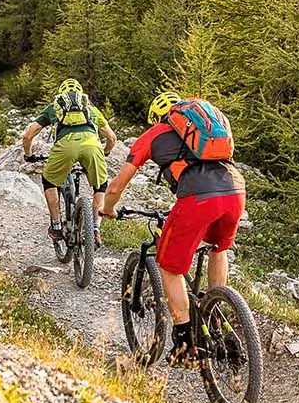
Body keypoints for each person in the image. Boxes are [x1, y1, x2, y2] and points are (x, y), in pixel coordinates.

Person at [99, 90, 246, 364]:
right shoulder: (209, 129)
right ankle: (216, 309)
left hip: (198, 197)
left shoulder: (154, 135)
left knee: (169, 267)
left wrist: (107, 209)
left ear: (156, 118)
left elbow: (117, 185)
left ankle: (185, 345)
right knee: (218, 247)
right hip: (235, 189)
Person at [19, 78, 116, 247]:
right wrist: (105, 151)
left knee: (49, 181)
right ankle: (95, 229)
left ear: (61, 94)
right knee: (100, 185)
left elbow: (28, 136)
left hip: (65, 147)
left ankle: (56, 226)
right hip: (92, 145)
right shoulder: (91, 109)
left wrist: (29, 155)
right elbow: (112, 138)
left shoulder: (54, 108)